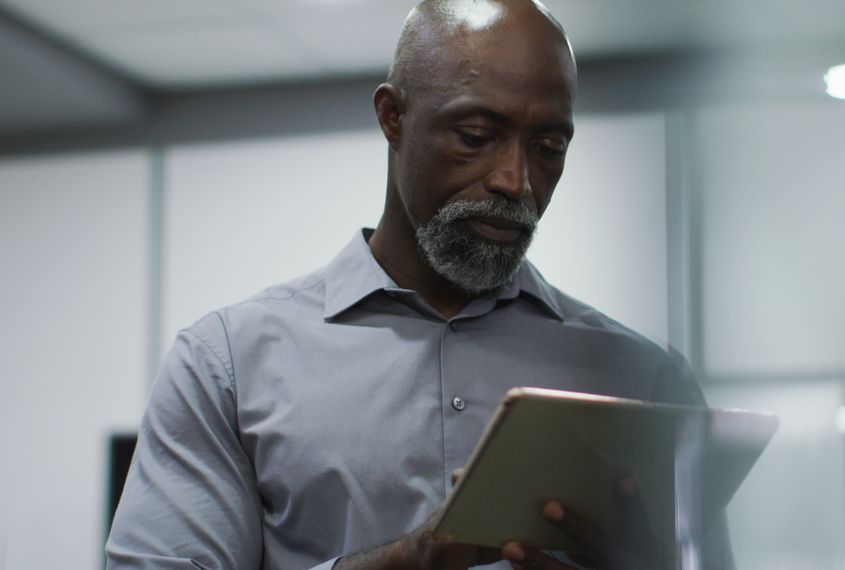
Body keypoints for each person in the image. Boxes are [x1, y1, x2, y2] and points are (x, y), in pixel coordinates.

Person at [106, 0, 732, 568]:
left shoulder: (645, 382)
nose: (515, 181)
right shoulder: (229, 367)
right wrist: (405, 562)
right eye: (477, 137)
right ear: (393, 116)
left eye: (548, 147)